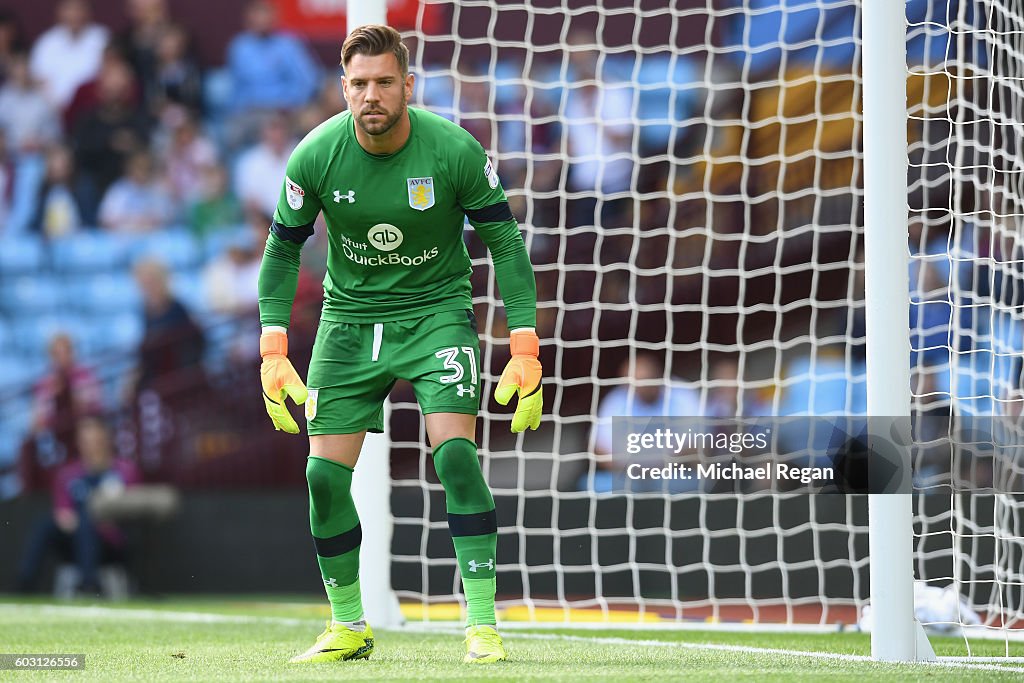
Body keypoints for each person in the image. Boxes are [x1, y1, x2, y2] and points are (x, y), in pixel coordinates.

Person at [258, 25, 540, 664]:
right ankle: (350, 625)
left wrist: (525, 345)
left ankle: (483, 626)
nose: (371, 96)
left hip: (436, 314)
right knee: (323, 478)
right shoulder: (314, 156)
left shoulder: (454, 150)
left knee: (456, 459)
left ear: (408, 86)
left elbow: (506, 243)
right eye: (358, 84)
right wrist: (274, 346)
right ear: (343, 88)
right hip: (349, 322)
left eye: (384, 82)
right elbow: (282, 247)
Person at [16, 416, 140, 597]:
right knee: (46, 524)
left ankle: (89, 585)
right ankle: (26, 584)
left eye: (95, 439)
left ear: (106, 439)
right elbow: (63, 514)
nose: (91, 445)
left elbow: (131, 510)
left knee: (88, 520)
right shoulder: (67, 475)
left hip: (111, 543)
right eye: (85, 440)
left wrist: (96, 520)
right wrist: (78, 521)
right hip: (75, 541)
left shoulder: (125, 471)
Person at [28, 0, 109, 110]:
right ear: (60, 12)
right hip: (52, 111)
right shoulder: (46, 43)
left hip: (93, 109)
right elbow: (37, 81)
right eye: (69, 9)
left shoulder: (102, 38)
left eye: (79, 8)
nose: (74, 14)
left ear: (88, 11)